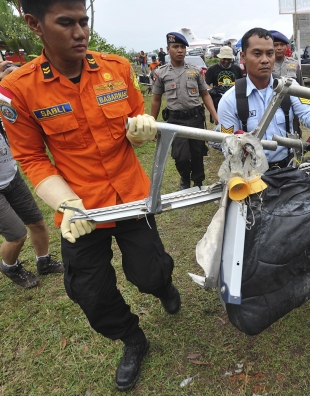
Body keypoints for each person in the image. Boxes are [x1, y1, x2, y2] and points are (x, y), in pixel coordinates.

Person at [0, 0, 180, 390]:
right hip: (80, 209)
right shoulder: (18, 89)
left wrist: (141, 129)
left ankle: (163, 287)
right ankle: (133, 339)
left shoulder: (116, 68)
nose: (80, 32)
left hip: (130, 197)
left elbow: (136, 120)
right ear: (34, 24)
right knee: (89, 294)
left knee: (149, 273)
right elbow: (30, 157)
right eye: (66, 23)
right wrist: (66, 204)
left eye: (83, 21)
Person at [218, 27, 310, 167]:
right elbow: (229, 148)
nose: (265, 60)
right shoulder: (229, 100)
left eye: (269, 53)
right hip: (251, 174)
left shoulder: (290, 87)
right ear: (243, 57)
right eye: (257, 54)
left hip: (287, 168)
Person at [0, 61, 63, 289]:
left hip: (11, 176)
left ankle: (43, 261)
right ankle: (9, 266)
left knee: (36, 222)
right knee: (16, 234)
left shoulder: (14, 102)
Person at [151, 32, 218, 190]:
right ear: (168, 49)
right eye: (175, 47)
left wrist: (215, 115)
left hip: (195, 117)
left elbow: (205, 94)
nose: (180, 50)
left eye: (182, 47)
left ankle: (198, 181)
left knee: (197, 153)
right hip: (175, 120)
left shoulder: (195, 71)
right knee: (181, 156)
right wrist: (152, 124)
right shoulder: (161, 73)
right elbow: (156, 99)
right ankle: (184, 178)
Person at [205, 46, 243, 121]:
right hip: (219, 101)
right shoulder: (212, 69)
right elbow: (206, 84)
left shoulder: (237, 69)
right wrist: (211, 90)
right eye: (224, 59)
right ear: (220, 58)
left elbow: (242, 83)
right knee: (220, 122)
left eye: (228, 59)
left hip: (234, 100)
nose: (226, 61)